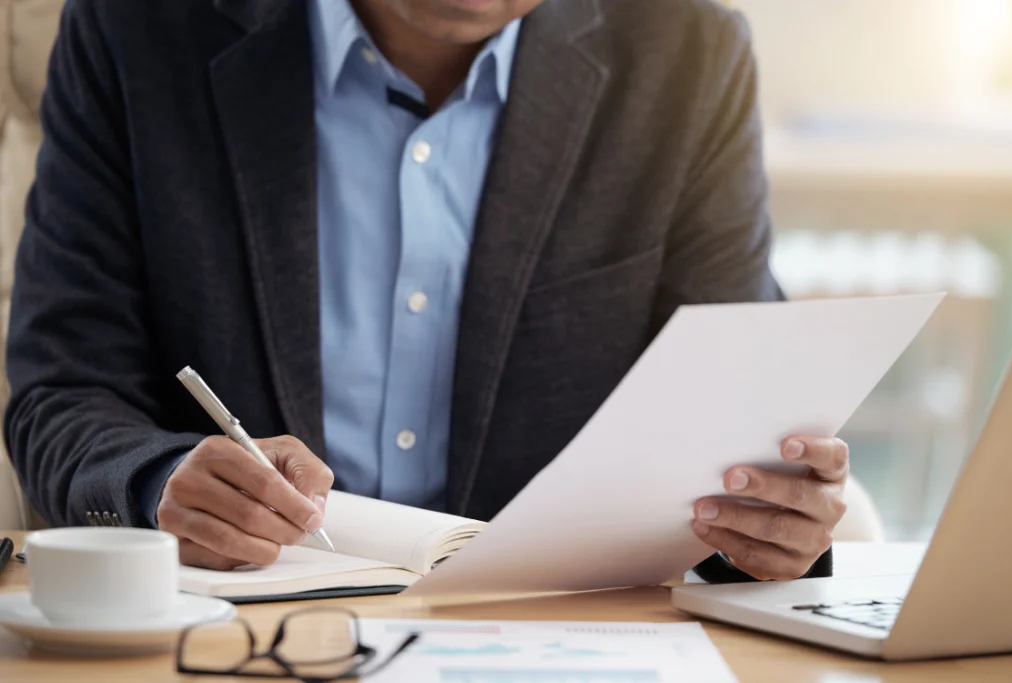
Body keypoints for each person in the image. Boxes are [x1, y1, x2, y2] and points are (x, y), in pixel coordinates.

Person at [4, 0, 849, 583]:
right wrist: (161, 483)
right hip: (238, 633)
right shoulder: (137, 30)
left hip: (556, 638)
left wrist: (772, 523)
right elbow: (61, 395)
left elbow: (734, 423)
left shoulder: (686, 58)